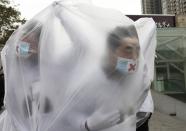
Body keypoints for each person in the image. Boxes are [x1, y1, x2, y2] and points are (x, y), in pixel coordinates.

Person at [84, 25, 141, 131]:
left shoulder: (131, 79)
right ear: (111, 51)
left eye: (137, 50)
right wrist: (87, 126)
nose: (134, 57)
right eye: (128, 49)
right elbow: (59, 119)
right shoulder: (89, 82)